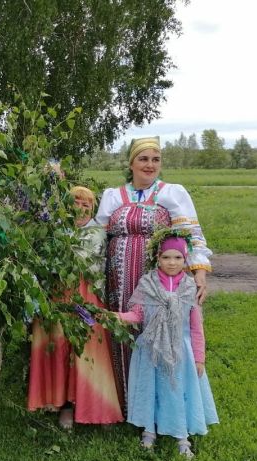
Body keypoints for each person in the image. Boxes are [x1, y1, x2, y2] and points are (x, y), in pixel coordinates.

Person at [94, 136, 212, 413]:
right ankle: (123, 403)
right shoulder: (113, 196)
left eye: (155, 159)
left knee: (157, 336)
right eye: (143, 159)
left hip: (157, 282)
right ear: (131, 163)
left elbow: (192, 237)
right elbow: (97, 236)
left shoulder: (172, 193)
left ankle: (158, 407)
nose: (150, 165)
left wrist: (200, 274)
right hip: (118, 280)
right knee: (122, 330)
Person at [114, 231, 218, 458]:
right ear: (157, 258)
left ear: (185, 259)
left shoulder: (190, 288)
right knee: (152, 390)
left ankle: (182, 435)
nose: (172, 263)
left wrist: (199, 357)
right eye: (166, 257)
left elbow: (195, 327)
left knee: (177, 389)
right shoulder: (147, 283)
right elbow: (138, 314)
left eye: (178, 258)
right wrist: (117, 317)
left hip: (180, 348)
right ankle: (149, 430)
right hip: (151, 348)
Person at [28, 186, 123, 428]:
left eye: (86, 204)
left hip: (88, 295)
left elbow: (95, 265)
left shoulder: (100, 233)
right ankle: (64, 404)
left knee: (90, 349)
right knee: (60, 346)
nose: (81, 208)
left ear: (93, 208)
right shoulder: (54, 231)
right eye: (76, 203)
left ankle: (97, 405)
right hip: (59, 295)